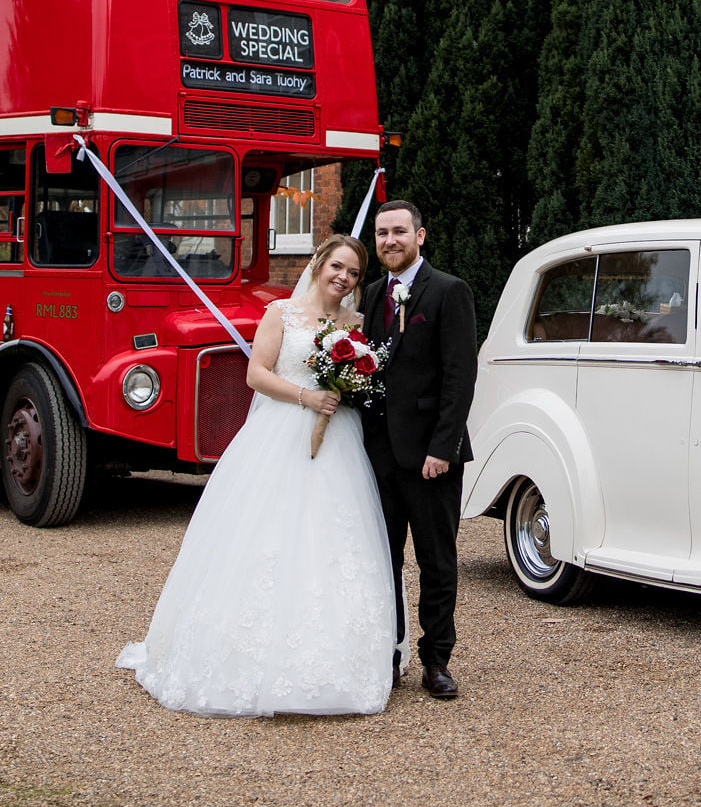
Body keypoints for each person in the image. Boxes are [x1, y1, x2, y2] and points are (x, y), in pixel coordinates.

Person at [116, 234, 392, 716]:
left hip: (339, 440)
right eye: (337, 267)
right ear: (319, 263)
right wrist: (308, 397)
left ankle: (336, 657)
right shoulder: (280, 313)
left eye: (353, 273)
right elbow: (256, 374)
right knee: (264, 534)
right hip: (281, 431)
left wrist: (344, 389)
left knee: (334, 538)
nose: (343, 278)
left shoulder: (358, 324)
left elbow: (362, 382)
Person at [361, 199, 476, 700]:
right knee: (381, 561)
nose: (390, 240)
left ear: (420, 236)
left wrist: (443, 447)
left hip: (432, 458)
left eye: (399, 232)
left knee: (436, 560)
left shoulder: (450, 292)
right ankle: (387, 654)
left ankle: (437, 660)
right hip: (377, 456)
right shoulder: (367, 296)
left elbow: (460, 376)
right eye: (382, 233)